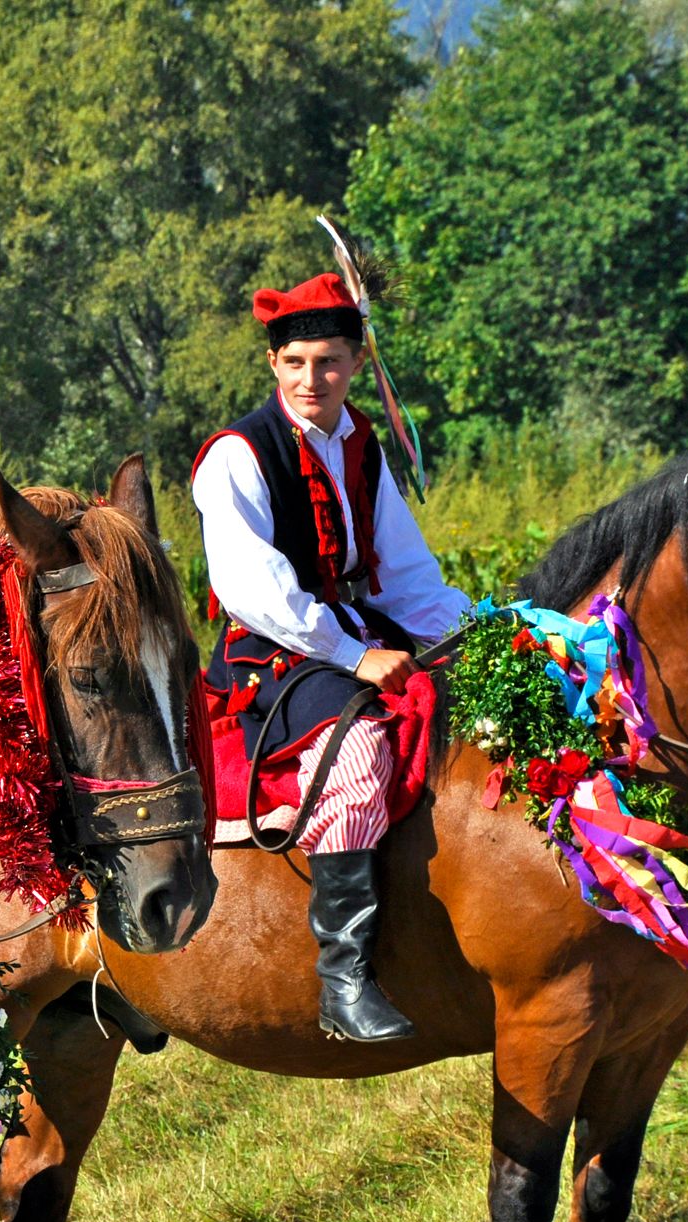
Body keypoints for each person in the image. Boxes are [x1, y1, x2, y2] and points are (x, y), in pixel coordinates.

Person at [192, 271, 470, 1042]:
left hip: (356, 630)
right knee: (356, 760)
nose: (313, 379)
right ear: (274, 365)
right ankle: (342, 980)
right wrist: (351, 656)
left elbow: (409, 576)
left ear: (353, 363)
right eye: (297, 363)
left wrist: (481, 634)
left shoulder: (361, 447)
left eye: (331, 362)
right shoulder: (236, 455)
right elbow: (253, 586)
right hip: (273, 652)